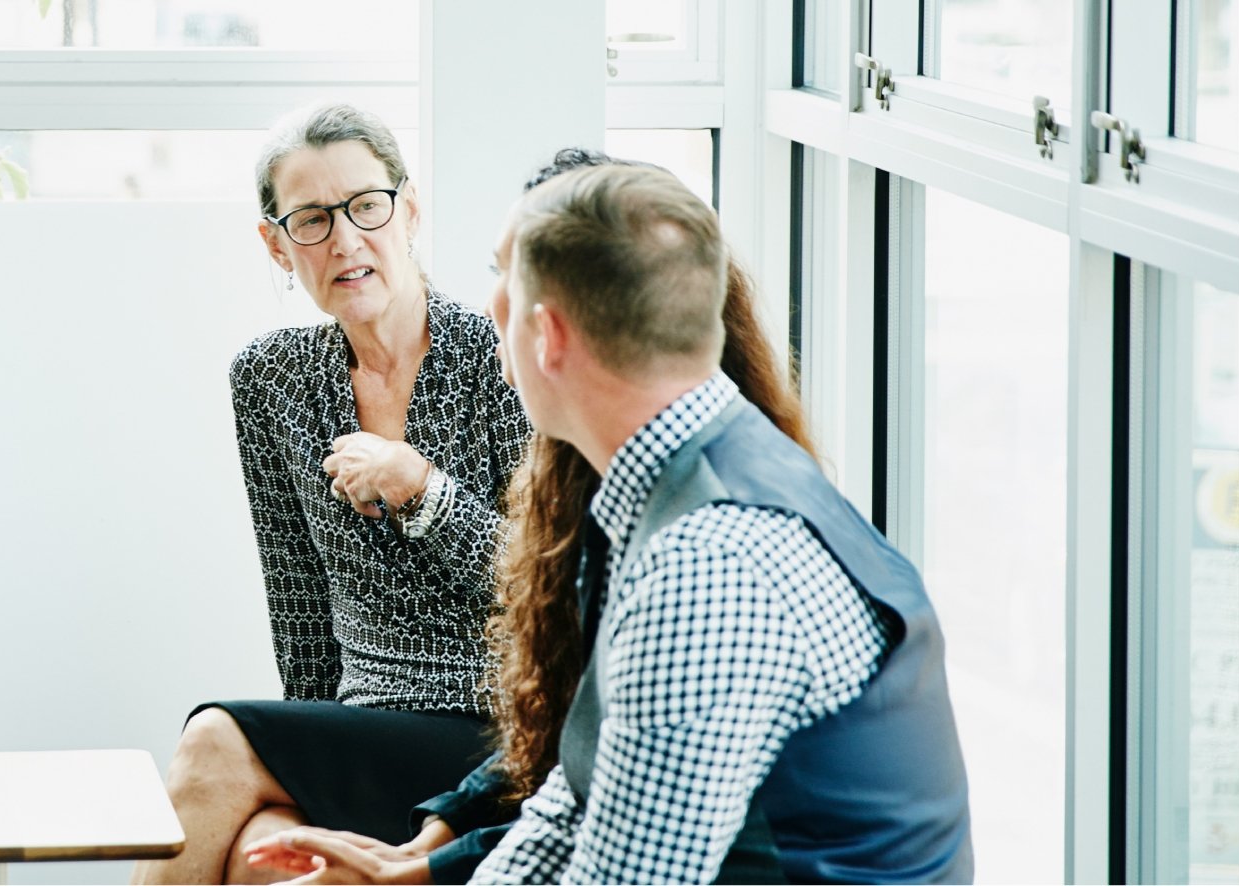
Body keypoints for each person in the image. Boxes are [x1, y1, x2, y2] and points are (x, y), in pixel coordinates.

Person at [258, 163, 973, 883]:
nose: (486, 307)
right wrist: (419, 875)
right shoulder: (687, 473)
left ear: (547, 335)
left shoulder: (708, 567)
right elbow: (581, 791)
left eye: (502, 277)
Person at [133, 103, 532, 886]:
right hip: (359, 723)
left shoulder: (499, 358)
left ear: (409, 210)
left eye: (366, 206)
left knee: (213, 740)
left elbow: (541, 587)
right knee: (262, 856)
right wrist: (295, 764)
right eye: (312, 220)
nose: (345, 240)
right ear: (276, 244)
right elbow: (302, 612)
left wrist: (422, 489)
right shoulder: (271, 379)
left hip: (493, 730)